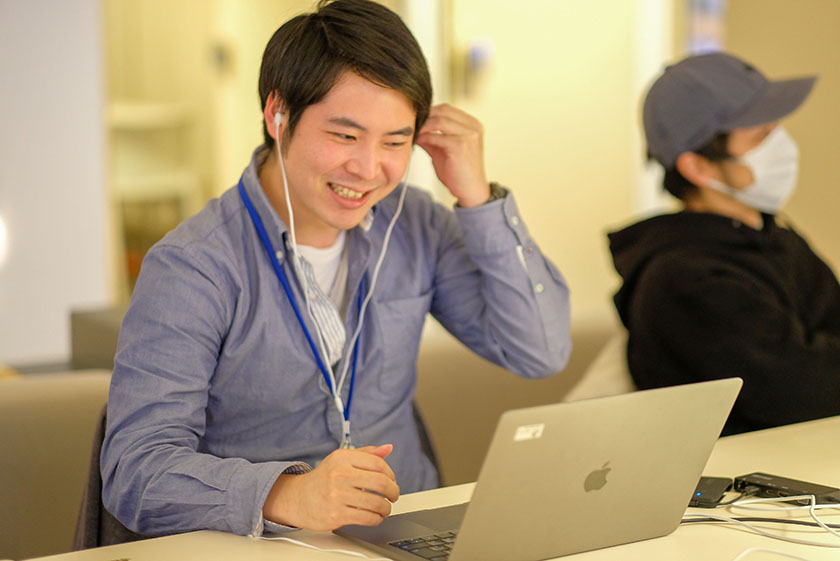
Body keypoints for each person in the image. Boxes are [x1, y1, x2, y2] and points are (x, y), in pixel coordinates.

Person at [101, 0, 571, 539]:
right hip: (262, 545)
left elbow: (540, 349)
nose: (369, 170)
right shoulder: (194, 266)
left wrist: (479, 199)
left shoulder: (413, 224)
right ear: (277, 115)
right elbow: (134, 472)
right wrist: (286, 494)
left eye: (395, 141)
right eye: (345, 136)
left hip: (407, 532)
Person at [609, 52, 840, 435]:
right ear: (697, 167)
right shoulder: (682, 277)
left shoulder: (774, 238)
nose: (781, 143)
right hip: (736, 483)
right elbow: (803, 389)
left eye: (776, 126)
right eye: (760, 135)